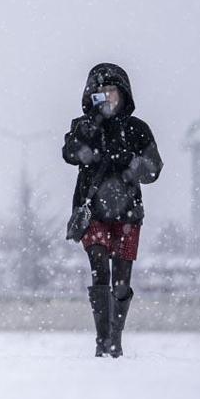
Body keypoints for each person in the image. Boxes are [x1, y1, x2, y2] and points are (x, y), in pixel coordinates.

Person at [62, 63, 163, 358]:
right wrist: (90, 133)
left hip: (128, 212)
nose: (106, 96)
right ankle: (102, 339)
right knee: (99, 267)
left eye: (111, 90)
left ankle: (115, 338)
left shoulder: (138, 129)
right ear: (91, 95)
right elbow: (69, 152)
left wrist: (132, 165)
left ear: (123, 93)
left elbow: (154, 168)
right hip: (93, 210)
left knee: (121, 279)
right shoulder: (83, 126)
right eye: (100, 91)